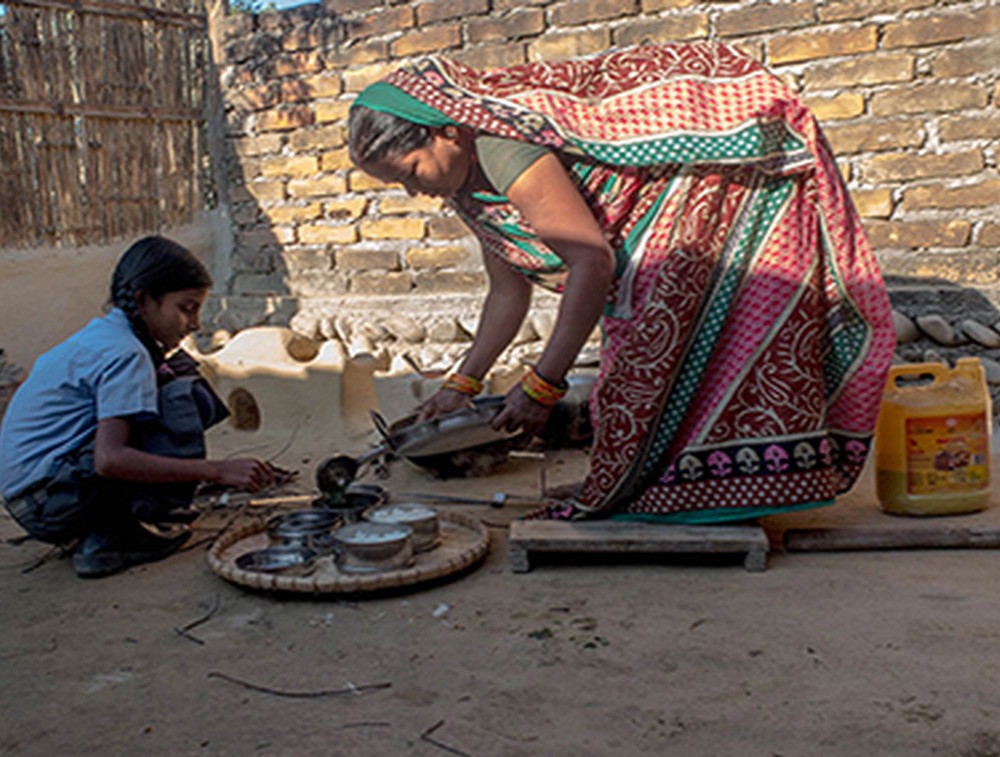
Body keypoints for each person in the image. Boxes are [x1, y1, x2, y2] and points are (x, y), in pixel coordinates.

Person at [348, 41, 895, 523]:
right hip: (652, 227)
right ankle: (658, 484)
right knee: (643, 357)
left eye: (411, 172)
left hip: (713, 189)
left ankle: (679, 487)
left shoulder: (500, 145)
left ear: (448, 131)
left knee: (644, 356)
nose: (412, 193)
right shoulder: (467, 187)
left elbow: (591, 262)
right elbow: (507, 291)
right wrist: (459, 386)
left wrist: (544, 385)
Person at [0, 236, 274, 577]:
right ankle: (112, 537)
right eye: (187, 308)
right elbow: (110, 459)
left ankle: (118, 521)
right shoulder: (126, 354)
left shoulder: (105, 335)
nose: (196, 324)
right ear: (144, 300)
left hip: (34, 498)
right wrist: (217, 471)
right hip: (49, 503)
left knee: (177, 375)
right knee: (177, 401)